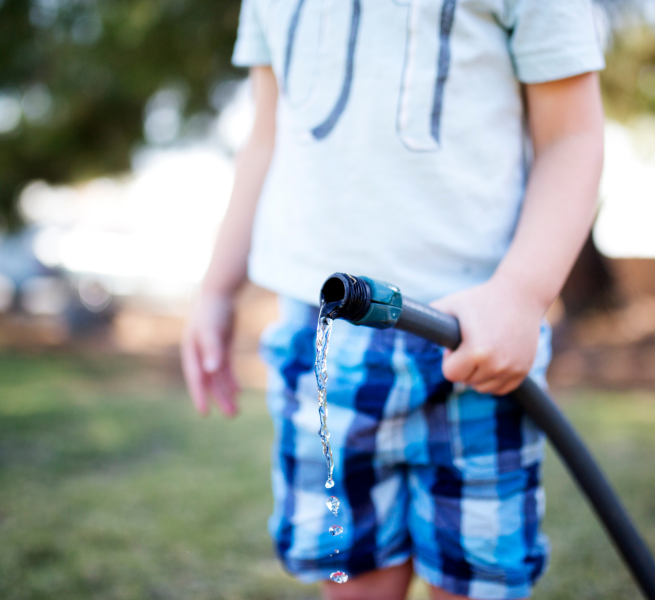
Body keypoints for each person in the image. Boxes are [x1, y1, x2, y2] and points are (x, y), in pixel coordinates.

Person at [181, 1, 605, 598]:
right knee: (353, 582)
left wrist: (521, 293)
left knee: (476, 584)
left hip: (474, 334)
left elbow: (572, 136)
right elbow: (266, 136)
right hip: (322, 341)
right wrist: (217, 289)